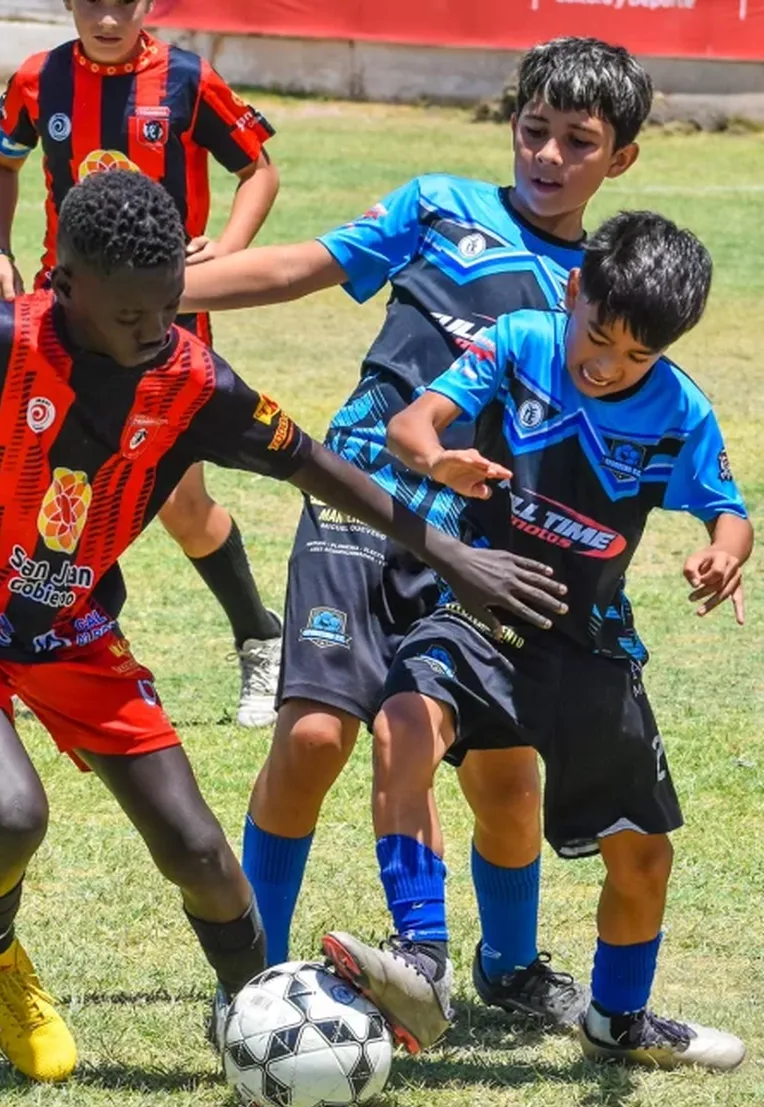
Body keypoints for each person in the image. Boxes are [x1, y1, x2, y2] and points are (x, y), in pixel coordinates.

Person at [0, 172, 567, 1083]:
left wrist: (452, 555)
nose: (155, 329)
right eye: (130, 314)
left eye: (169, 306)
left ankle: (260, 1024)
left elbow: (316, 465)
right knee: (14, 813)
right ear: (65, 284)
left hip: (71, 628)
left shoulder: (192, 382)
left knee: (200, 853)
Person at [181, 37, 652, 1023]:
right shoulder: (439, 205)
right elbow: (299, 267)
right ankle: (249, 979)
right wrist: (152, 293)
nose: (549, 155)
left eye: (578, 141)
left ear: (621, 159)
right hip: (362, 497)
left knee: (504, 778)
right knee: (314, 736)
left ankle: (509, 969)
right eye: (534, 130)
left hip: (485, 547)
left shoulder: (602, 292)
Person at [324, 211, 751, 1068]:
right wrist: (436, 459)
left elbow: (727, 508)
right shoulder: (520, 341)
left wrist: (724, 552)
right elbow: (413, 425)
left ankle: (619, 1021)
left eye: (637, 356)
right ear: (573, 290)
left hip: (589, 642)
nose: (608, 365)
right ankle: (421, 960)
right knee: (402, 721)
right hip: (484, 608)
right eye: (598, 337)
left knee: (643, 859)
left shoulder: (680, 409)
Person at [0, 0, 284, 728]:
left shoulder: (188, 79)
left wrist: (227, 249)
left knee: (180, 503)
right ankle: (31, 650)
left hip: (163, 317)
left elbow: (259, 170)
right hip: (63, 316)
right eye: (92, 1)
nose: (108, 18)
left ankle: (261, 637)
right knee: (47, 480)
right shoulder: (38, 80)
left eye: (124, 2)